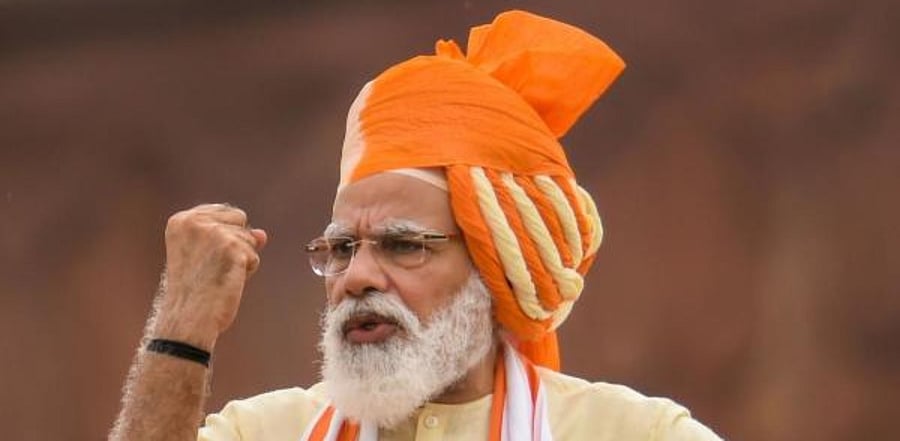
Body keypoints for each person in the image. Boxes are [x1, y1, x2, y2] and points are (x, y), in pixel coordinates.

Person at [110, 10, 722, 441]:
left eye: (403, 245)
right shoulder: (267, 431)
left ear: (493, 270)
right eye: (342, 247)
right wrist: (182, 327)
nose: (355, 278)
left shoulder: (630, 433)